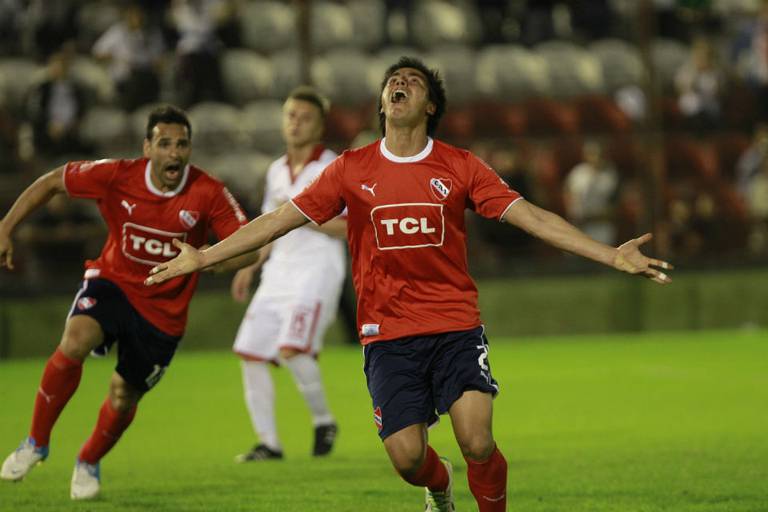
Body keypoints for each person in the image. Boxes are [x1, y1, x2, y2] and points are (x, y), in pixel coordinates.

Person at [146, 57, 673, 511]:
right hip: (387, 333)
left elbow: (531, 216)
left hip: (454, 324)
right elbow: (279, 219)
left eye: (412, 81)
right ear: (382, 101)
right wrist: (206, 256)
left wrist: (609, 254)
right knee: (409, 459)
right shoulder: (350, 169)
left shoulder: (461, 166)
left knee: (478, 438)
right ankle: (438, 486)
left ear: (429, 107)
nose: (399, 84)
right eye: (392, 79)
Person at [0, 105, 248, 500]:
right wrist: (5, 227)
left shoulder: (208, 191)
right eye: (164, 143)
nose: (174, 153)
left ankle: (87, 460)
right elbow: (52, 182)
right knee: (75, 340)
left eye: (182, 144)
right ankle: (35, 441)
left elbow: (246, 244)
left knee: (123, 394)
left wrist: (210, 261)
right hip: (112, 284)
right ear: (146, 147)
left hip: (163, 314)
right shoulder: (117, 175)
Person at [230, 86, 346, 461]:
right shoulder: (276, 170)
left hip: (318, 268)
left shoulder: (333, 166)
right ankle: (269, 443)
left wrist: (301, 214)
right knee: (250, 353)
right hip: (279, 271)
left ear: (320, 126)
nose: (295, 123)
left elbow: (351, 226)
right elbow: (268, 226)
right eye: (291, 115)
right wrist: (252, 265)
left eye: (305, 117)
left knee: (292, 349)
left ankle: (323, 420)